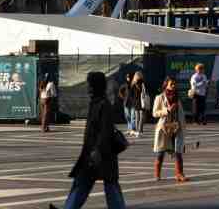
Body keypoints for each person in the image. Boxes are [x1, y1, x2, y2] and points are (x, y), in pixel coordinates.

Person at [54, 71, 126, 209]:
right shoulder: (96, 102)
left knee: (108, 185)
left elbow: (105, 131)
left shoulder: (103, 104)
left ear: (95, 86)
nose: (88, 88)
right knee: (84, 182)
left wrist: (97, 150)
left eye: (90, 84)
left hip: (100, 154)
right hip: (94, 153)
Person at [153, 76, 188, 183]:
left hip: (176, 128)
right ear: (166, 85)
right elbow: (154, 113)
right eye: (171, 84)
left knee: (178, 152)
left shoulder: (177, 98)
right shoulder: (160, 97)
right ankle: (157, 174)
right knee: (160, 153)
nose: (173, 86)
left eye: (174, 84)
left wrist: (183, 126)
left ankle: (179, 174)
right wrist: (167, 110)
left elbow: (181, 113)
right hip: (164, 129)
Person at [130, 72, 149, 138]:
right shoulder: (142, 83)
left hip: (135, 103)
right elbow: (145, 92)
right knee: (141, 117)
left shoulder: (133, 83)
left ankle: (138, 131)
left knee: (137, 117)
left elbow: (131, 94)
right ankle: (139, 131)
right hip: (141, 102)